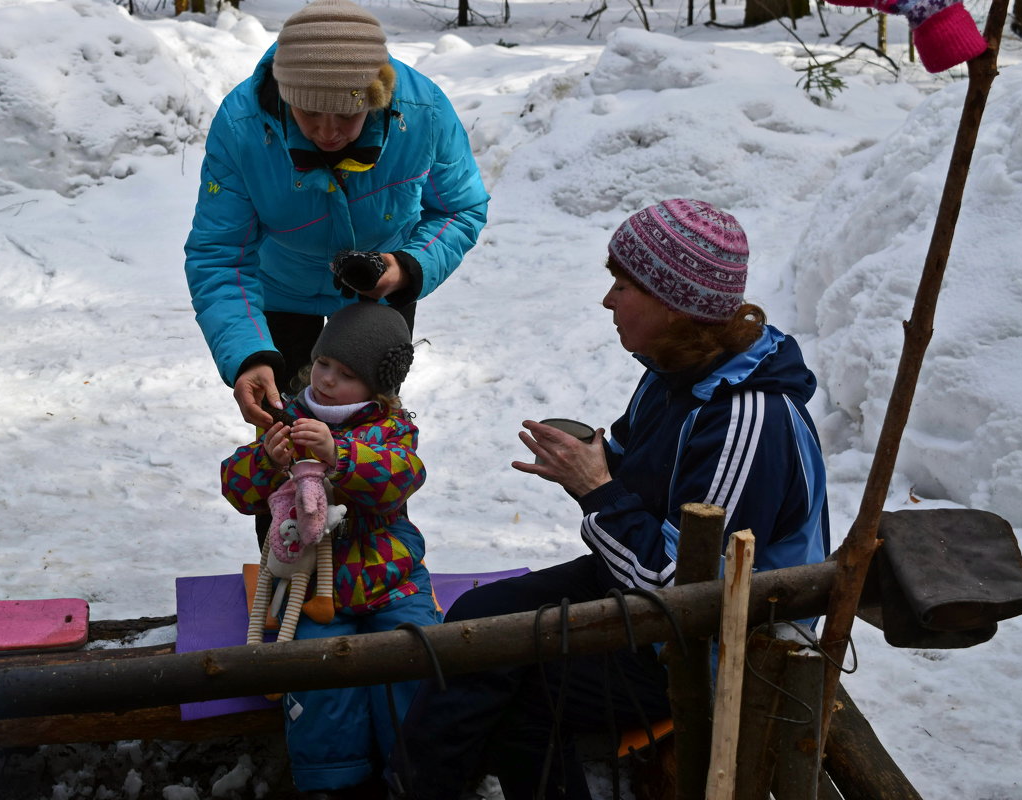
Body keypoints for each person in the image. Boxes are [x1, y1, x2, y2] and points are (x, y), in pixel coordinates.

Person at [386, 199, 831, 800]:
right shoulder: (675, 372)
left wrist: (595, 488)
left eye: (624, 285)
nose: (607, 300)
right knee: (475, 625)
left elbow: (686, 593)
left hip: (714, 648)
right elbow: (630, 468)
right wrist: (593, 462)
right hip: (644, 592)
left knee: (530, 693)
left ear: (675, 307)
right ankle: (417, 785)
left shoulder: (747, 420)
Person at [184, 0, 489, 430]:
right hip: (281, 292)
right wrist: (248, 356)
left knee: (373, 438)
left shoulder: (424, 114)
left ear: (378, 96)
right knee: (285, 438)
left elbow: (460, 207)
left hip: (379, 288)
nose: (328, 133)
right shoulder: (244, 127)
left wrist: (406, 268)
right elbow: (220, 253)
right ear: (284, 95)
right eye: (308, 112)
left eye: (348, 115)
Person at [221, 302, 441, 800]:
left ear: (377, 388)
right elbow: (235, 488)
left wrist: (340, 455)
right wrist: (264, 461)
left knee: (415, 659)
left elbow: (403, 475)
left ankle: (417, 772)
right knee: (319, 678)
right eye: (323, 364)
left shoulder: (391, 428)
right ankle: (334, 781)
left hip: (390, 576)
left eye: (346, 374)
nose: (326, 380)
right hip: (310, 581)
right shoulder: (286, 417)